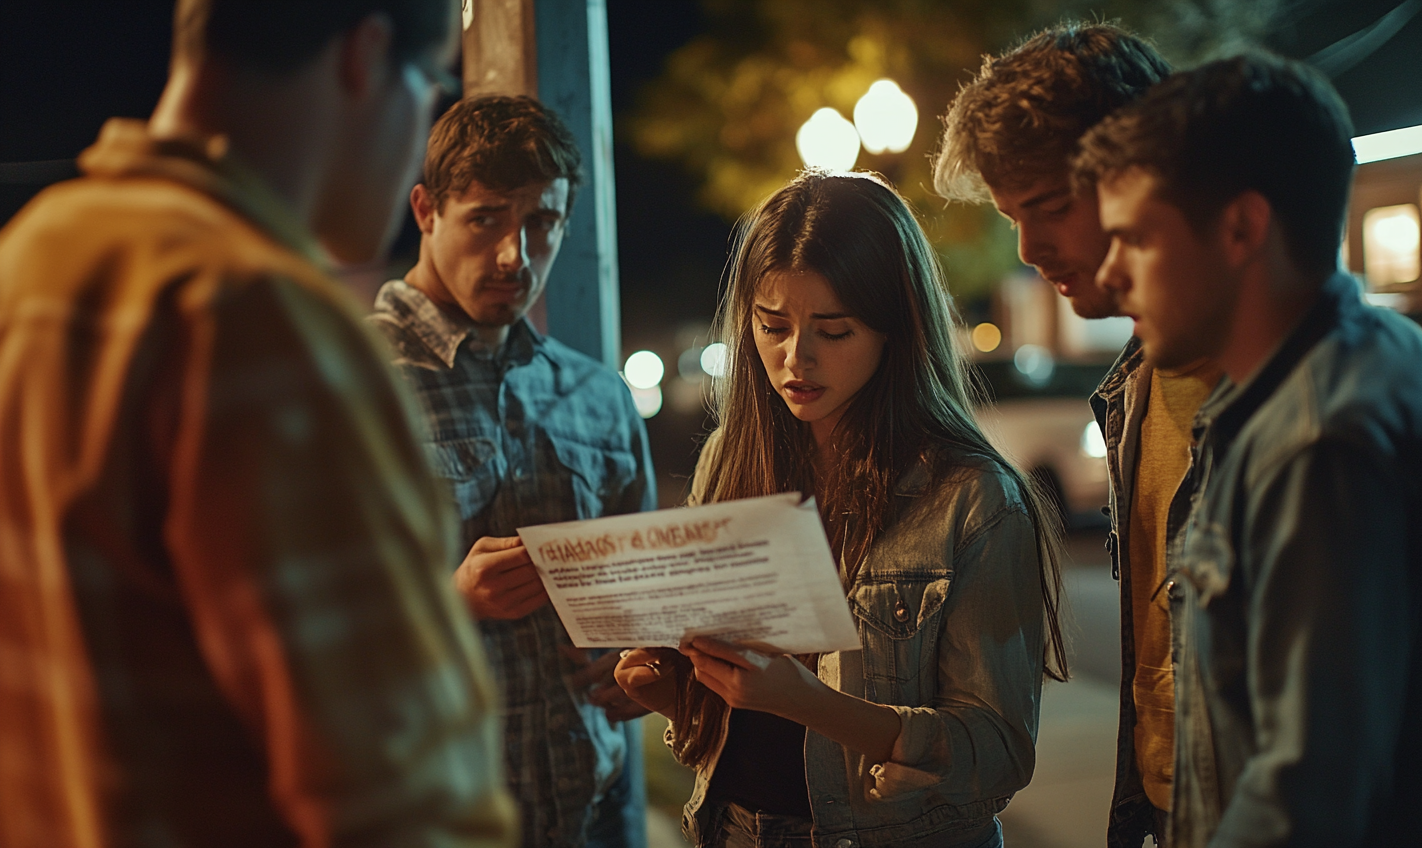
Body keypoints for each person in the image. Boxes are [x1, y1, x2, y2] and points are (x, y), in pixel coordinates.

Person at [0, 1, 516, 847]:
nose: (422, 122)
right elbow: (405, 805)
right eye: (430, 86)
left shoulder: (32, 257)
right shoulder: (256, 320)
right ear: (367, 51)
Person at [613, 170, 1069, 848]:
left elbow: (996, 751)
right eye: (772, 326)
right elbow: (742, 731)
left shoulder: (971, 498)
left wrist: (813, 705)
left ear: (895, 330)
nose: (797, 357)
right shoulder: (730, 462)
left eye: (834, 330)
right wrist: (673, 697)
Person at [1075, 52, 1422, 847]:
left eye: (1134, 238)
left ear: (1240, 228)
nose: (1111, 274)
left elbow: (1305, 794)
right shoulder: (1374, 356)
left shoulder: (1315, 439)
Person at [934, 23, 1200, 847]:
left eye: (1049, 207)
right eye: (1013, 215)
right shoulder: (1133, 389)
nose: (1028, 247)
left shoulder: (1279, 386)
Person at [369, 94, 657, 848]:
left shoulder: (597, 398)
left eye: (541, 223)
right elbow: (284, 627)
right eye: (487, 218)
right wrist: (448, 601)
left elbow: (647, 605)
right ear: (427, 210)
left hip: (592, 815)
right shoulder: (347, 382)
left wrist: (648, 661)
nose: (514, 256)